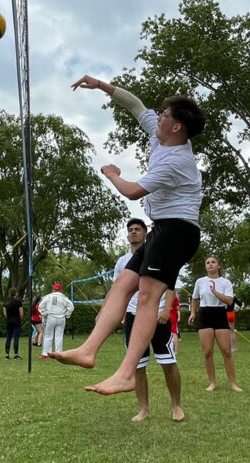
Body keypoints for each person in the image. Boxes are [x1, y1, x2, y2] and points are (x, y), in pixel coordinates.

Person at [50, 75, 205, 397]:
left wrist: (112, 175)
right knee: (122, 285)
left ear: (177, 127)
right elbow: (135, 105)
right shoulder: (160, 135)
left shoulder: (178, 160)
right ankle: (88, 350)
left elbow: (133, 192)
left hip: (178, 230)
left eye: (165, 115)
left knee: (147, 296)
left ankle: (126, 373)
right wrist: (103, 86)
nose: (158, 116)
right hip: (163, 229)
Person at [115, 218, 184, 422]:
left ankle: (176, 406)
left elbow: (170, 287)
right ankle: (144, 409)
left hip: (157, 316)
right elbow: (120, 290)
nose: (133, 232)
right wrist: (118, 313)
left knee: (168, 362)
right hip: (133, 317)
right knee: (138, 365)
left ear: (146, 234)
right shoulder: (122, 262)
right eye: (130, 230)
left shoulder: (159, 255)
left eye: (138, 229)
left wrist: (165, 310)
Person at [188, 256, 242, 392]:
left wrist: (215, 292)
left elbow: (230, 301)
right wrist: (193, 312)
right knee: (207, 352)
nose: (210, 264)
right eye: (207, 262)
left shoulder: (226, 282)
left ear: (218, 266)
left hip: (219, 315)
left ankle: (233, 383)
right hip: (205, 315)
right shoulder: (200, 281)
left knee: (226, 351)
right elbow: (195, 298)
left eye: (213, 262)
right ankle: (212, 382)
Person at [39, 283, 74, 359]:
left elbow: (41, 306)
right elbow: (71, 306)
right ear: (61, 290)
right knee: (59, 336)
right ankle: (58, 353)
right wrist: (66, 314)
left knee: (48, 335)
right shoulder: (64, 297)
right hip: (61, 318)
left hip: (51, 317)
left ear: (53, 289)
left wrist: (44, 314)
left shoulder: (48, 297)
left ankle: (46, 354)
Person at [4, 288, 24, 360]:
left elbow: (5, 314)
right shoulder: (18, 302)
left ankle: (7, 354)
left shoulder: (6, 302)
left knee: (8, 337)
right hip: (16, 321)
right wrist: (19, 319)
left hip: (9, 321)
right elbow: (21, 313)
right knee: (16, 338)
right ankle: (16, 354)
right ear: (15, 293)